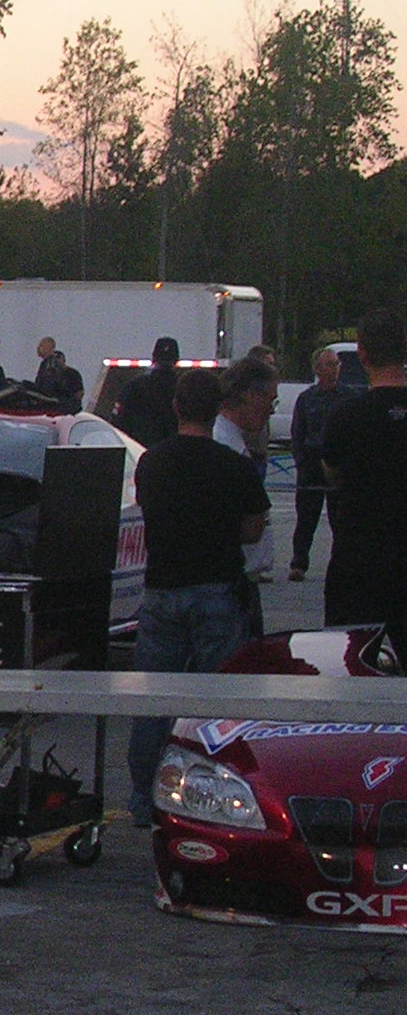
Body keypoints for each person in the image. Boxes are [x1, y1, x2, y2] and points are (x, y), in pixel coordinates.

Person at [126, 367, 269, 826]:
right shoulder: (233, 465)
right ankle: (210, 801)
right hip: (217, 590)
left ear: (175, 407)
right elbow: (252, 528)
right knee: (216, 704)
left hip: (162, 590)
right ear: (217, 409)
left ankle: (142, 798)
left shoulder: (152, 462)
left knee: (153, 703)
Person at [320, 309, 407, 637]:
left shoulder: (347, 417)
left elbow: (332, 471)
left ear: (362, 353)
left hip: (360, 557)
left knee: (357, 655)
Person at [211, 355, 279, 632]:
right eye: (271, 400)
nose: (272, 410)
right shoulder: (224, 445)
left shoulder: (233, 440)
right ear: (251, 395)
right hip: (230, 582)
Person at [288, 345, 355, 580]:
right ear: (317, 369)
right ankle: (298, 564)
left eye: (336, 364)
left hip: (338, 464)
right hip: (312, 464)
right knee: (306, 519)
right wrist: (301, 462)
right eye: (328, 364)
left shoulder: (349, 398)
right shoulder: (307, 399)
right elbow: (297, 433)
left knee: (341, 519)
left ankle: (344, 564)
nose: (334, 369)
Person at [114, 335, 182, 446]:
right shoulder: (183, 388)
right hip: (175, 452)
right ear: (176, 360)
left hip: (141, 450)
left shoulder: (134, 386)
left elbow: (120, 422)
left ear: (153, 357)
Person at [34, 337, 84, 411]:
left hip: (63, 407)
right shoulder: (45, 365)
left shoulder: (72, 373)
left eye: (41, 346)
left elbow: (79, 392)